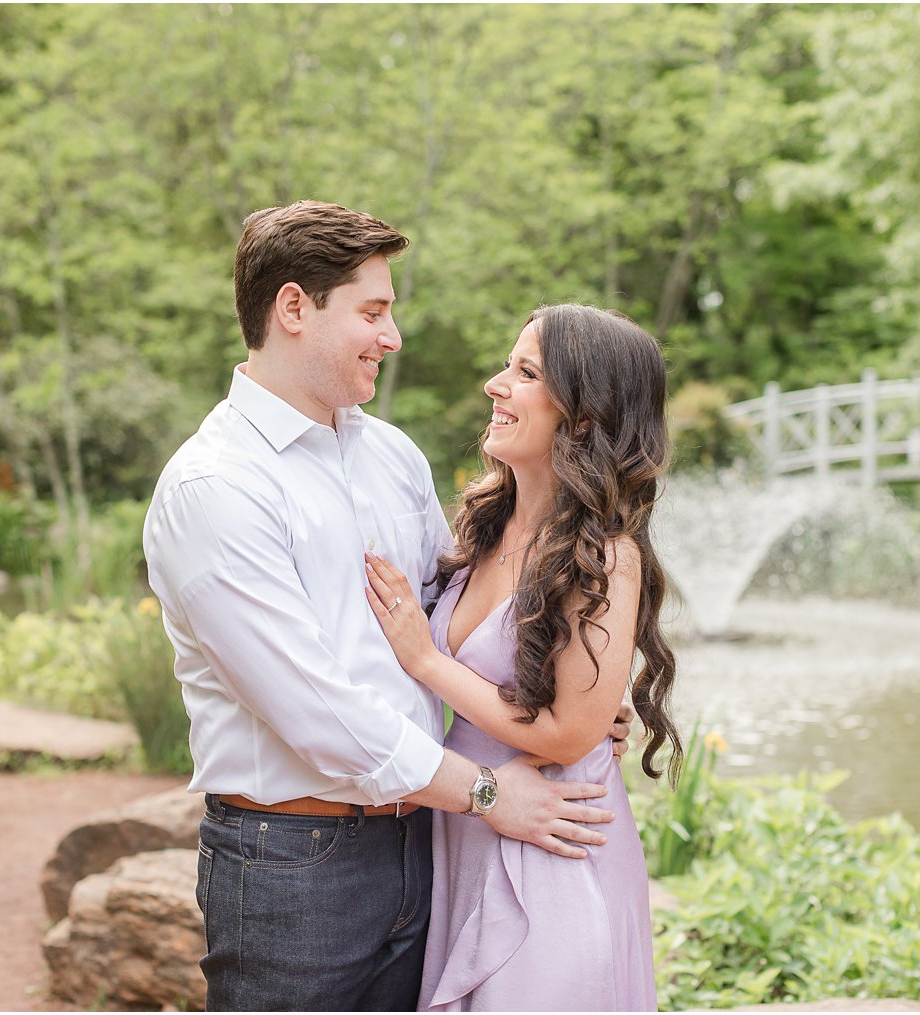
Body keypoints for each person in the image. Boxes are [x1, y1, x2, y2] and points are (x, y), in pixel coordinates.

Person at [142, 202, 629, 1012]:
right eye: (373, 311)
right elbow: (314, 709)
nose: (392, 335)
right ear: (293, 307)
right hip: (294, 862)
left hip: (423, 844)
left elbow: (457, 617)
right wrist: (485, 790)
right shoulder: (216, 487)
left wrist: (574, 693)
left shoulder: (390, 455)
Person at [364, 303, 682, 1011]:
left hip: (555, 844)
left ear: (584, 415)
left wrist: (427, 660)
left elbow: (570, 732)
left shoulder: (606, 555)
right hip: (473, 831)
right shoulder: (483, 522)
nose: (495, 384)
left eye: (525, 371)